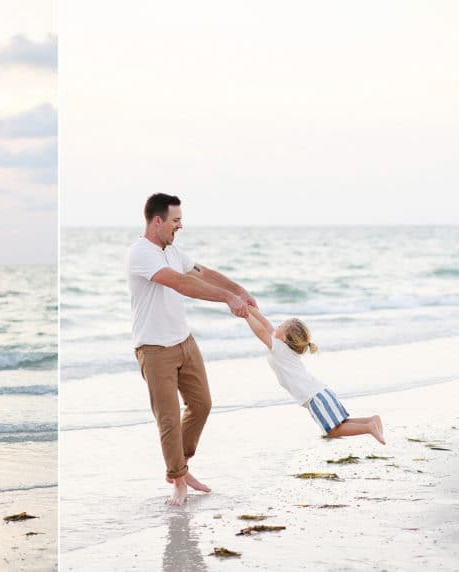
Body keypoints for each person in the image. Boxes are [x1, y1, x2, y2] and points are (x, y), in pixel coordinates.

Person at [127, 193, 257, 506]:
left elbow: (201, 274)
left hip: (184, 342)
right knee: (169, 418)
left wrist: (238, 290)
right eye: (175, 220)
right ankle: (178, 481)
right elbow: (180, 284)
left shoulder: (173, 250)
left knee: (202, 405)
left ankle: (178, 469)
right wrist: (226, 299)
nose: (180, 226)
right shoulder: (141, 254)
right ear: (157, 221)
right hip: (155, 348)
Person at [243, 305, 385, 444]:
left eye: (281, 326)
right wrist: (247, 306)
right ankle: (370, 420)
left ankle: (368, 427)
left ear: (285, 337)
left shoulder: (279, 348)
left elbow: (262, 331)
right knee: (341, 424)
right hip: (321, 393)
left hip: (315, 398)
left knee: (333, 431)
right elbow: (266, 325)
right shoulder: (284, 348)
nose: (276, 327)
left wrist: (245, 314)